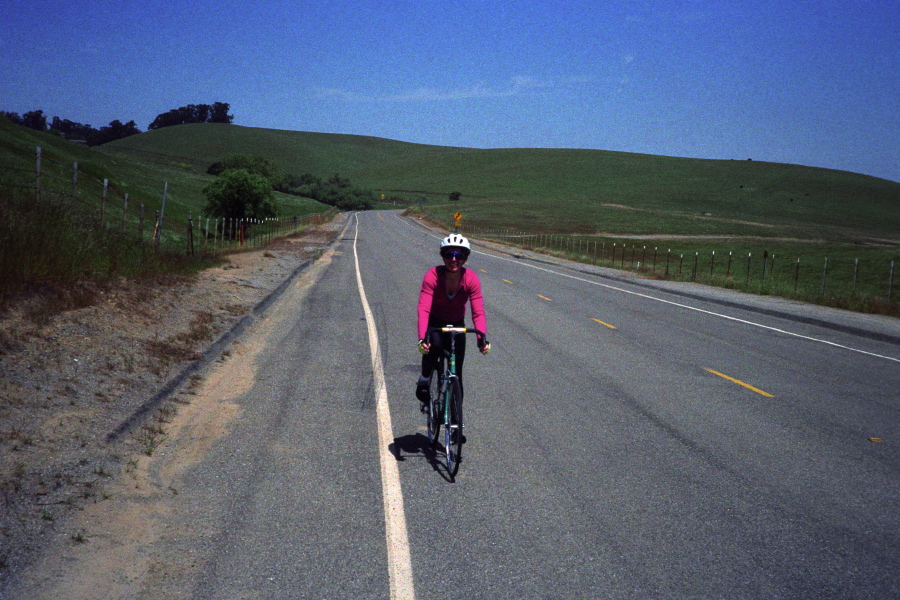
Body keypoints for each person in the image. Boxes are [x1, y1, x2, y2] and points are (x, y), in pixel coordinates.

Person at [416, 233, 490, 411]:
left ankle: (456, 422)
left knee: (457, 374)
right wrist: (422, 338)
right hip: (435, 321)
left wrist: (482, 338)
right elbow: (424, 308)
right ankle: (425, 378)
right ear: (443, 256)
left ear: (465, 259)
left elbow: (478, 311)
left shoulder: (471, 279)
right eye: (450, 255)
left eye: (460, 256)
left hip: (457, 323)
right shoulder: (432, 276)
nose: (454, 259)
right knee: (433, 350)